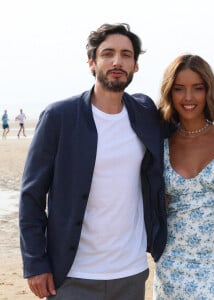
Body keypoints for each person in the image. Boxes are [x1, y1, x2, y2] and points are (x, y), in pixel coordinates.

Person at [19, 23, 167, 300]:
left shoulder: (145, 113)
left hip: (131, 271)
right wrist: (34, 263)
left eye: (126, 55)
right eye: (108, 53)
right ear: (91, 62)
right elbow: (31, 196)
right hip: (71, 274)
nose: (117, 61)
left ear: (136, 65)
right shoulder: (60, 117)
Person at [153, 54, 214, 299]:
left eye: (197, 89)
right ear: (169, 92)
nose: (188, 98)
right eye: (179, 89)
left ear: (208, 91)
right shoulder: (160, 145)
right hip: (171, 262)